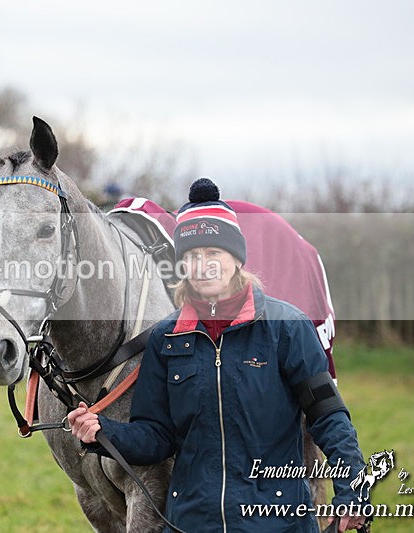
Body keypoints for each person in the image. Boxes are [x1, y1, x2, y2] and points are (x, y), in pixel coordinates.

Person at [68, 178, 368, 532]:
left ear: (236, 258)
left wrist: (353, 493)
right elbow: (156, 437)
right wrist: (104, 432)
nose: (204, 265)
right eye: (193, 255)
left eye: (214, 253)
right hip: (193, 523)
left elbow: (328, 417)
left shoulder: (287, 326)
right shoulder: (166, 338)